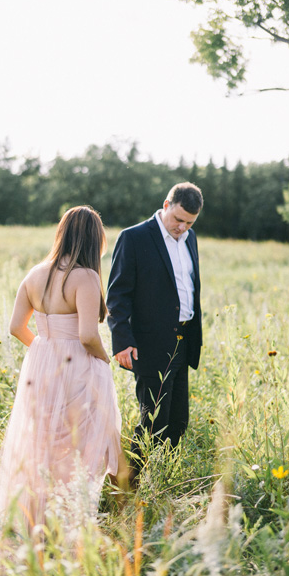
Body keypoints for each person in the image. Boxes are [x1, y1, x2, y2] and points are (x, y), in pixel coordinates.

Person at [0, 206, 124, 552]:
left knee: (40, 448)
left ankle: (33, 530)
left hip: (41, 368)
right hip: (77, 368)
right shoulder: (86, 277)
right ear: (94, 239)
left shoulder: (34, 274)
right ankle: (66, 529)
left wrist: (45, 351)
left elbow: (16, 327)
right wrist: (104, 361)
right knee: (77, 449)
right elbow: (88, 335)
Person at [106, 182, 203, 483]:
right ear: (165, 205)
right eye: (178, 220)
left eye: (189, 222)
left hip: (183, 341)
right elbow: (117, 295)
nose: (182, 227)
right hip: (149, 344)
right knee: (152, 423)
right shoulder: (133, 237)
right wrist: (122, 340)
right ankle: (128, 489)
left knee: (177, 422)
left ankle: (161, 482)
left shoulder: (190, 238)